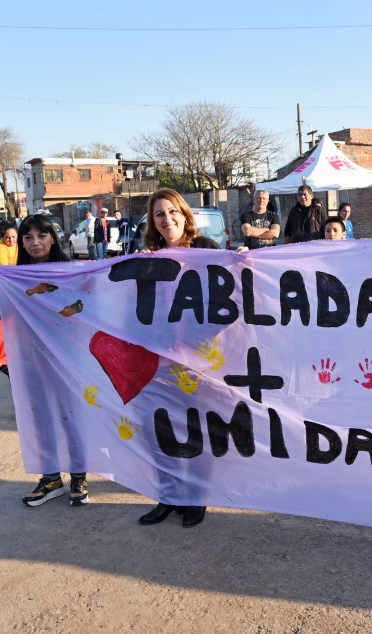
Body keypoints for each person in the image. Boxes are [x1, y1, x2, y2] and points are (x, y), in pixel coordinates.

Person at [0, 214, 90, 507]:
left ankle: (79, 475)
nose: (35, 242)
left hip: (68, 357)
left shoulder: (70, 271)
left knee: (71, 416)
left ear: (53, 237)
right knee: (40, 417)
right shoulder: (16, 277)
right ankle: (50, 478)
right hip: (32, 357)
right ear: (21, 243)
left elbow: (89, 307)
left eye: (42, 235)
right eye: (28, 237)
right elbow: (8, 315)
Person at [137, 188, 211, 529]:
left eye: (171, 212)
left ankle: (195, 497)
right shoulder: (145, 259)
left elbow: (235, 297)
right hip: (157, 360)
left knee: (196, 429)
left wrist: (245, 261)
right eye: (158, 215)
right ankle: (168, 494)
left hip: (199, 361)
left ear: (184, 214)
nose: (167, 220)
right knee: (157, 429)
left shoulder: (208, 251)